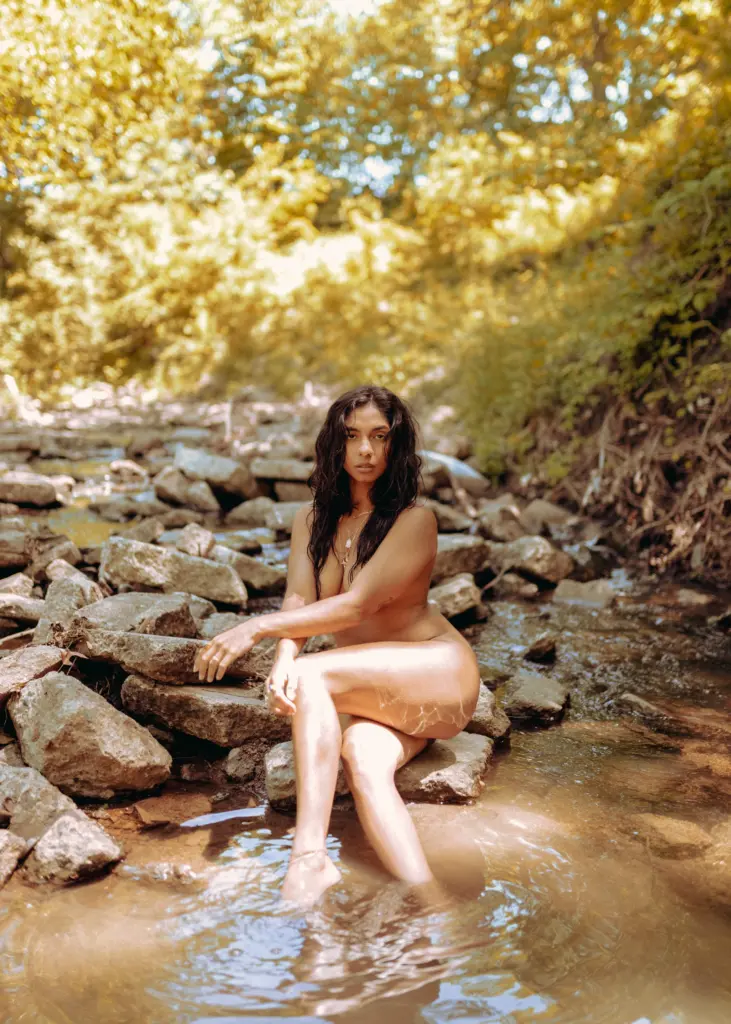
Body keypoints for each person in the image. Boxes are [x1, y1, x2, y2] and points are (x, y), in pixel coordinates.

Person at [193, 385, 481, 905]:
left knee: (314, 675)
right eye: (352, 436)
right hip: (379, 694)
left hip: (439, 676)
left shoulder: (415, 520)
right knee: (362, 758)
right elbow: (300, 598)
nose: (365, 450)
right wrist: (284, 659)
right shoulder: (311, 520)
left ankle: (309, 858)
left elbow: (356, 607)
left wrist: (254, 630)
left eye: (379, 436)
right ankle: (434, 909)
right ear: (335, 443)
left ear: (396, 445)